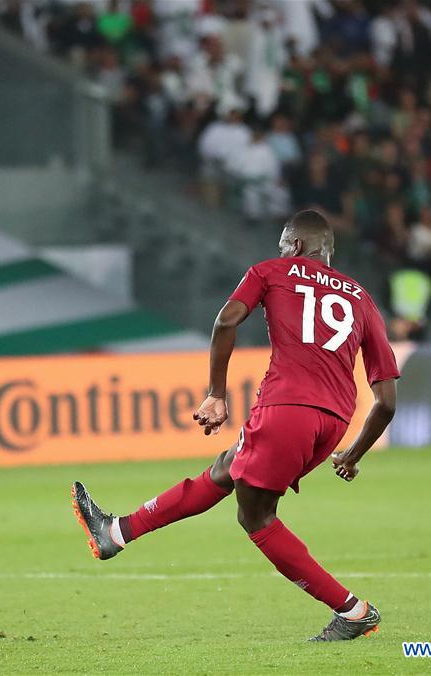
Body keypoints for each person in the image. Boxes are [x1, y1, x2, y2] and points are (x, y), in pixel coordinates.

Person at [72, 209, 400, 641]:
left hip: (287, 407)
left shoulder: (271, 271)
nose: (281, 251)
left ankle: (353, 611)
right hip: (335, 420)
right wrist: (353, 455)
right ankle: (116, 531)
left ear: (297, 247)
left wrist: (216, 393)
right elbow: (387, 402)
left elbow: (226, 320)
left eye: (284, 244)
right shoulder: (360, 297)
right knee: (227, 467)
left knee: (258, 519)